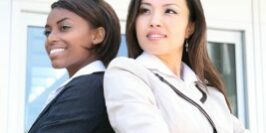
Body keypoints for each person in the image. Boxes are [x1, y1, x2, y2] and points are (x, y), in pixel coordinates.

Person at [104, 0, 247, 132]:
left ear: (190, 27)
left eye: (169, 11)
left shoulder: (211, 93)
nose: (154, 21)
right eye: (145, 10)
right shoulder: (127, 73)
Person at [28, 0, 120, 132]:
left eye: (64, 27)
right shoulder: (87, 85)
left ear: (97, 35)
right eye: (47, 32)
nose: (50, 38)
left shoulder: (89, 88)